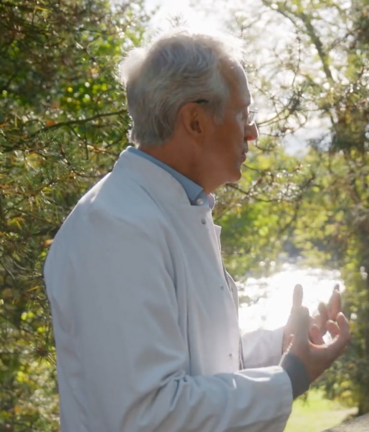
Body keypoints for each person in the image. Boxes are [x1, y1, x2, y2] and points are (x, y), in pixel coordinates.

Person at [43, 28, 350, 432]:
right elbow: (147, 415)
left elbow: (207, 366)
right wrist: (290, 377)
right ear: (194, 121)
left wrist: (287, 345)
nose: (253, 132)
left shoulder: (171, 211)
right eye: (243, 114)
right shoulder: (114, 227)